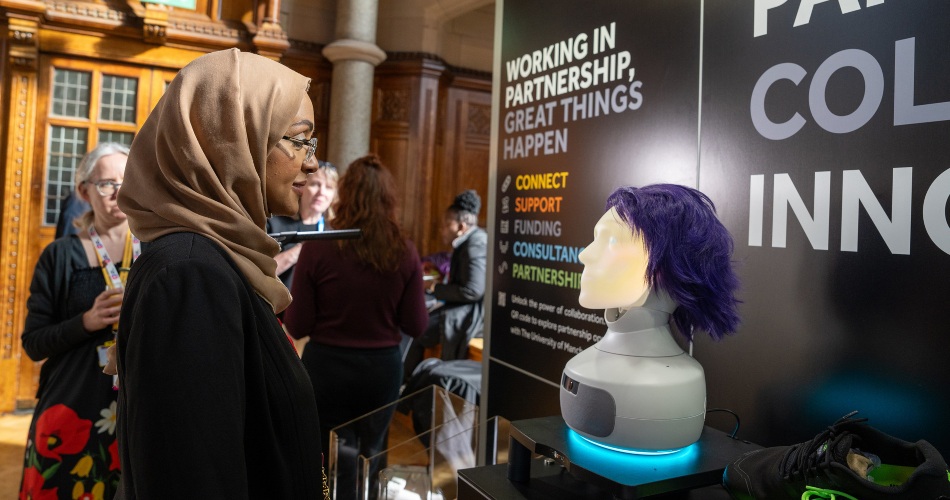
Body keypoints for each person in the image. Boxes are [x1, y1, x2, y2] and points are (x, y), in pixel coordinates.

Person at [113, 48, 325, 498]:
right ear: (232, 140)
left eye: (313, 144)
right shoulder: (190, 274)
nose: (312, 163)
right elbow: (193, 478)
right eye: (298, 140)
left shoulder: (217, 256)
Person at [284, 154, 428, 500]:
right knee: (372, 452)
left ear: (344, 195)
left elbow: (297, 323)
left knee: (324, 454)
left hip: (326, 369)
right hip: (380, 370)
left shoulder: (319, 250)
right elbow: (417, 324)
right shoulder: (404, 252)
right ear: (388, 199)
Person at [19, 142, 137, 500]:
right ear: (84, 190)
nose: (118, 191)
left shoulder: (157, 249)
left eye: (126, 180)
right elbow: (34, 342)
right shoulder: (60, 255)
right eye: (106, 184)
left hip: (137, 408)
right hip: (70, 406)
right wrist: (86, 321)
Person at [405, 190, 487, 379]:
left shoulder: (476, 244)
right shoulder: (469, 241)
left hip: (473, 314)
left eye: (445, 224)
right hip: (463, 307)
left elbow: (473, 290)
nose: (441, 229)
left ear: (461, 226)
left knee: (419, 329)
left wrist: (435, 288)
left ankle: (408, 387)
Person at [267, 159, 338, 291]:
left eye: (328, 187)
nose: (321, 192)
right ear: (302, 187)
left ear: (334, 195)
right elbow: (259, 273)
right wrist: (303, 250)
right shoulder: (275, 224)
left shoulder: (335, 231)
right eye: (315, 184)